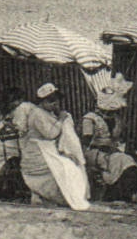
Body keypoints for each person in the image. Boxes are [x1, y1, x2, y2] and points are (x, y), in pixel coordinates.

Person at [12, 82, 89, 210]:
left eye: (56, 101)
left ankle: (65, 196)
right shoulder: (37, 113)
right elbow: (50, 134)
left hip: (46, 148)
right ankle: (49, 196)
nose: (54, 104)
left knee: (70, 165)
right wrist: (61, 120)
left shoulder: (47, 113)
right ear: (42, 102)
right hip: (37, 151)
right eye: (51, 101)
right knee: (63, 168)